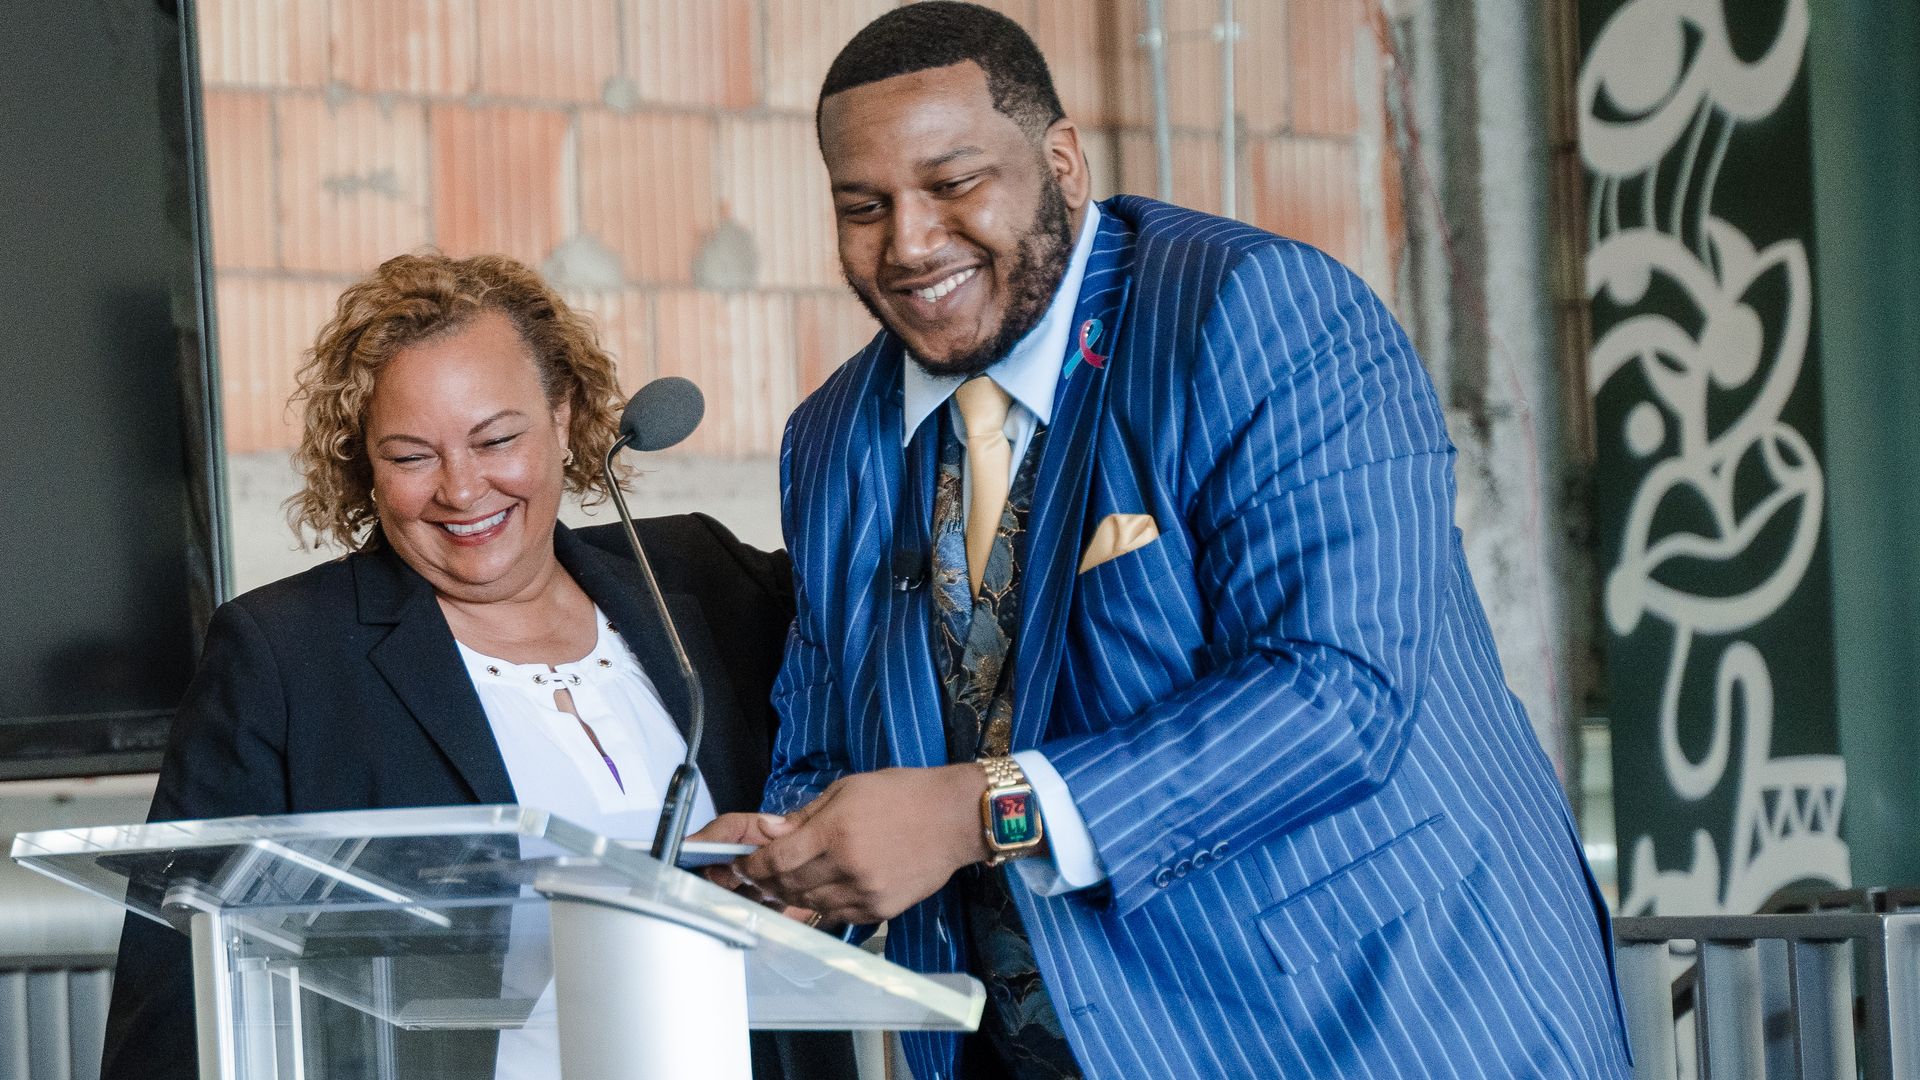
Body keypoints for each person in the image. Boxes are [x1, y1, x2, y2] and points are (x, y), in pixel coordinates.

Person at [694, 4, 1633, 1079]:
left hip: (1376, 1021)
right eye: (865, 207)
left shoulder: (1259, 314)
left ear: (1063, 163)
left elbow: (1338, 693)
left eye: (954, 186)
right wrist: (779, 863)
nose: (908, 243)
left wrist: (978, 810)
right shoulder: (831, 438)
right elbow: (827, 747)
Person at [100, 253, 850, 1080]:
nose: (462, 489)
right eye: (412, 455)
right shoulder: (285, 657)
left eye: (497, 439)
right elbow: (174, 995)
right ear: (366, 466)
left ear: (565, 418)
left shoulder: (700, 578)